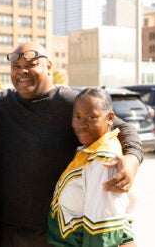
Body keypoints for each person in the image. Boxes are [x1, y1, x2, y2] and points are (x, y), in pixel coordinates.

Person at [0, 42, 143, 247]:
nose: (22, 71)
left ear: (49, 66)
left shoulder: (71, 103)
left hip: (57, 233)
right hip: (9, 231)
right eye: (16, 66)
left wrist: (132, 159)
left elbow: (123, 129)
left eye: (31, 64)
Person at [48, 87, 134, 246]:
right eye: (77, 116)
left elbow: (101, 231)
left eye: (92, 118)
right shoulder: (90, 149)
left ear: (110, 118)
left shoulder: (104, 161)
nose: (82, 125)